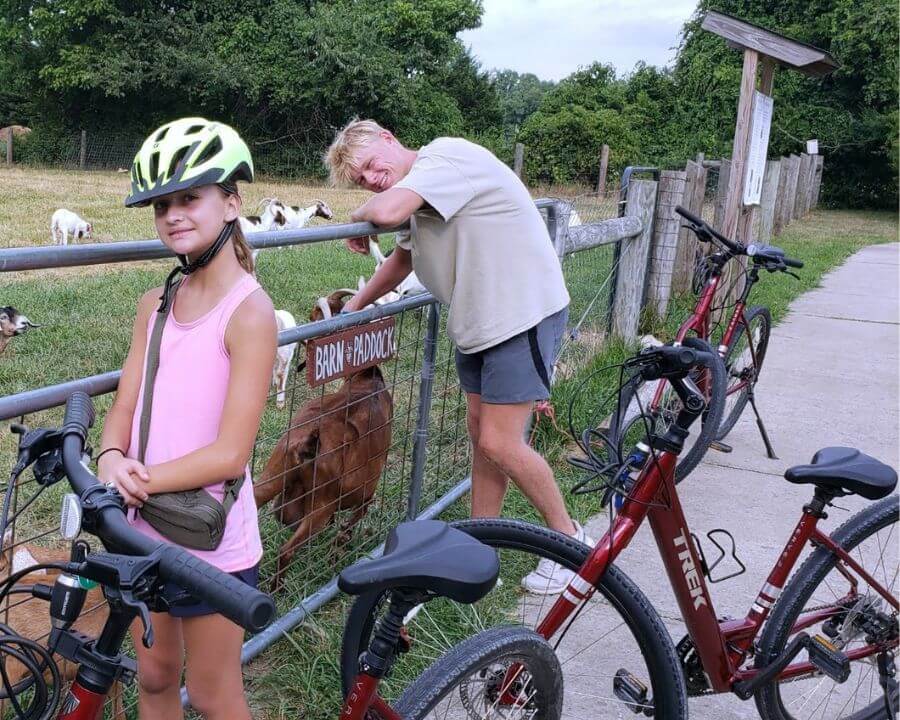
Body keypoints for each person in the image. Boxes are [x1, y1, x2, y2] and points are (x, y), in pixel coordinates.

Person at [325, 119, 592, 595]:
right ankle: (480, 544)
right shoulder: (419, 190)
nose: (369, 178)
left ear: (390, 138)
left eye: (369, 165)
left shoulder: (444, 158)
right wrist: (355, 305)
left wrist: (358, 214)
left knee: (501, 443)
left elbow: (385, 212)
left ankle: (574, 549)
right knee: (481, 435)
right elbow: (402, 258)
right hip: (478, 321)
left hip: (519, 314)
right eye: (360, 178)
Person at [96, 117, 277, 720]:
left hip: (209, 539)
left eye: (189, 198)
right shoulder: (156, 303)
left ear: (232, 202)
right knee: (152, 676)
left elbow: (230, 454)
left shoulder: (248, 313)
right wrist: (109, 457)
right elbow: (126, 402)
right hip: (142, 524)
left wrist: (135, 479)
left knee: (212, 692)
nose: (173, 214)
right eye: (161, 205)